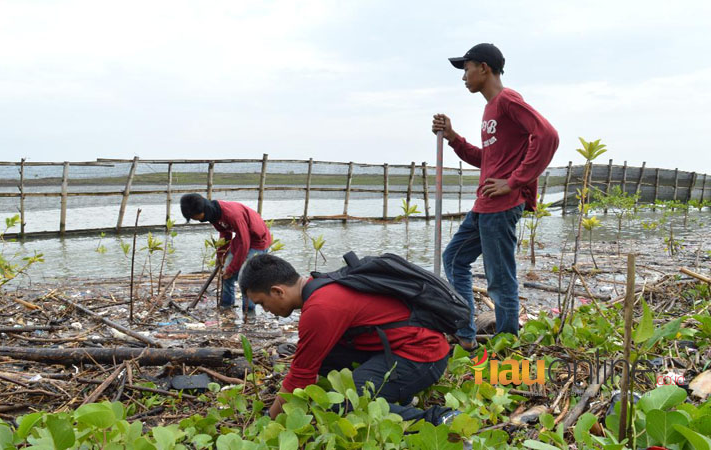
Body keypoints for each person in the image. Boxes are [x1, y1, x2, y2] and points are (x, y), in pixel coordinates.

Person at [432, 43, 559, 351]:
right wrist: (453, 138)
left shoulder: (507, 100)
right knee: (454, 258)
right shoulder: (490, 109)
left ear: (484, 68)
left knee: (500, 280)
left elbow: (548, 136)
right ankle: (465, 332)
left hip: (502, 207)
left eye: (467, 69)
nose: (464, 76)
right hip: (484, 206)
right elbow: (487, 158)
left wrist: (513, 182)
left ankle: (507, 344)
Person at [238, 253, 460, 425]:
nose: (266, 310)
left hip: (423, 356)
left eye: (261, 303)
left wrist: (269, 418)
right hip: (398, 347)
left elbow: (299, 377)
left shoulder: (320, 307)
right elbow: (307, 365)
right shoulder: (322, 284)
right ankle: (397, 395)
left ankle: (439, 418)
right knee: (323, 357)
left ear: (278, 291)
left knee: (339, 404)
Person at [180, 193, 271, 310]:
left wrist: (232, 269)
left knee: (246, 279)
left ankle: (249, 314)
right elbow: (225, 233)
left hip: (258, 241)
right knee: (225, 275)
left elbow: (245, 244)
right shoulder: (213, 214)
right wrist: (220, 255)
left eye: (194, 217)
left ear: (201, 210)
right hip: (242, 238)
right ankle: (226, 306)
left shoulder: (232, 215)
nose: (195, 220)